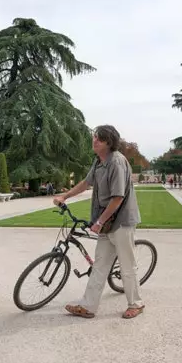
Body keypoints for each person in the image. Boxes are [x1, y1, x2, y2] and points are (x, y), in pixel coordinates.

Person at [53, 124, 144, 319]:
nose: (94, 141)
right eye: (94, 137)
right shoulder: (99, 161)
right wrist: (65, 196)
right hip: (106, 222)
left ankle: (136, 304)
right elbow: (86, 183)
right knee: (100, 265)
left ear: (109, 143)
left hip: (121, 221)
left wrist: (100, 221)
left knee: (127, 265)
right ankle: (88, 306)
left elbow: (118, 197)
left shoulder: (117, 162)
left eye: (99, 139)